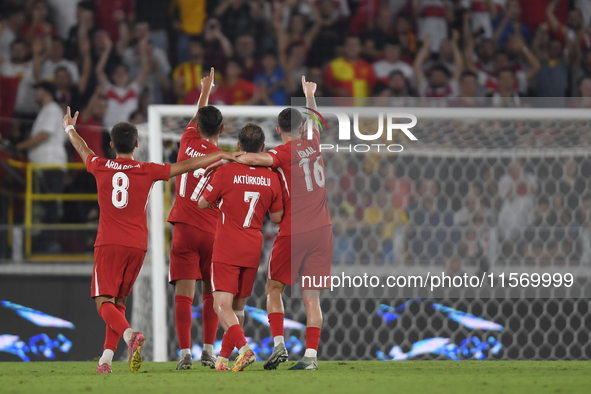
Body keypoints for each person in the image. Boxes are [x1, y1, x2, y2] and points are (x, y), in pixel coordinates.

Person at [62, 106, 239, 374]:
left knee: (103, 303)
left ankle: (130, 336)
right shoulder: (147, 169)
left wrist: (69, 129)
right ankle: (105, 361)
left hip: (109, 242)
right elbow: (186, 166)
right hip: (137, 246)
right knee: (118, 303)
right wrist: (220, 155)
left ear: (111, 145)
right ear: (136, 144)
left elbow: (83, 149)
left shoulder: (100, 165)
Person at [217, 77, 333, 370]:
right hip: (323, 231)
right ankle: (310, 357)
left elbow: (256, 160)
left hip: (295, 231)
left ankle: (279, 345)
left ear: (279, 131)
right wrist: (310, 96)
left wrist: (229, 157)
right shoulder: (314, 143)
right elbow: (314, 123)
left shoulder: (280, 154)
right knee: (311, 298)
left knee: (273, 288)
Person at [198, 124, 284, 372]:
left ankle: (244, 349)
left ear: (238, 146)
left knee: (220, 305)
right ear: (263, 149)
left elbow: (203, 203)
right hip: (252, 246)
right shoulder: (272, 177)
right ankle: (224, 359)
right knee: (239, 307)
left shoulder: (226, 172)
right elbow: (277, 216)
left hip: (227, 245)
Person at [167, 68, 224, 370]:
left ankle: (185, 353)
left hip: (184, 230)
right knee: (211, 293)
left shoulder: (187, 141)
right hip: (213, 232)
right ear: (222, 129)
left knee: (183, 296)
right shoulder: (223, 159)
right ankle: (209, 350)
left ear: (198, 125)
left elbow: (196, 116)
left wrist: (205, 90)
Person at [16, 81, 65, 251]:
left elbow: (44, 135)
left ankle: (51, 243)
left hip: (50, 165)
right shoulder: (45, 111)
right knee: (43, 206)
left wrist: (20, 146)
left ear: (47, 92)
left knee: (49, 205)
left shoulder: (52, 109)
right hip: (42, 165)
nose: (35, 93)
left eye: (38, 89)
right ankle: (43, 243)